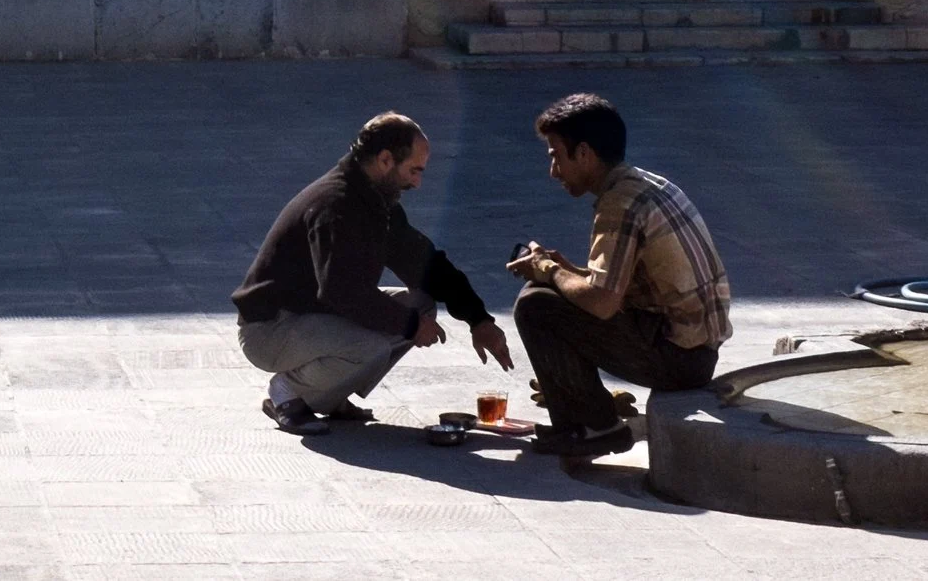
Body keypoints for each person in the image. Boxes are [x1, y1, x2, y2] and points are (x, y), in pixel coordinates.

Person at [234, 112, 512, 435]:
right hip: (270, 328)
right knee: (372, 346)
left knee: (420, 304)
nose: (417, 183)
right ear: (384, 160)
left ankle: (328, 395)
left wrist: (478, 319)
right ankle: (288, 393)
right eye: (414, 170)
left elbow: (425, 264)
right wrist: (409, 326)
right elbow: (341, 293)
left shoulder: (375, 200)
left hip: (315, 313)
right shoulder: (335, 205)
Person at [506, 92, 733, 461]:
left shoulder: (618, 203)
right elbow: (621, 285)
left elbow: (602, 303)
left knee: (535, 304)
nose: (553, 172)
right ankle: (588, 415)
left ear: (583, 153)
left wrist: (548, 270)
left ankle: (594, 426)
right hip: (697, 351)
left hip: (679, 360)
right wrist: (565, 270)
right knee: (551, 290)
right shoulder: (646, 184)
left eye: (555, 156)